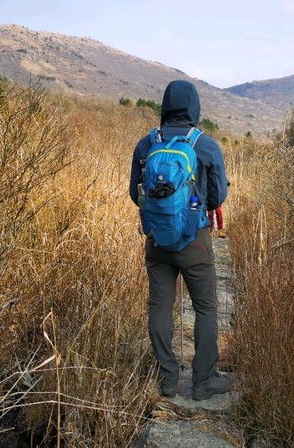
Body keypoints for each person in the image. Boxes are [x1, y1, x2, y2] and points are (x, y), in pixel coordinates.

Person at [129, 80, 234, 401]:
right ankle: (203, 381)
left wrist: (162, 212)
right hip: (195, 240)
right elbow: (217, 198)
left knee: (160, 305)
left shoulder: (146, 144)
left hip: (157, 241)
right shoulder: (206, 145)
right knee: (205, 307)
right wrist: (191, 205)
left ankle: (168, 379)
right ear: (195, 107)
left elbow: (136, 194)